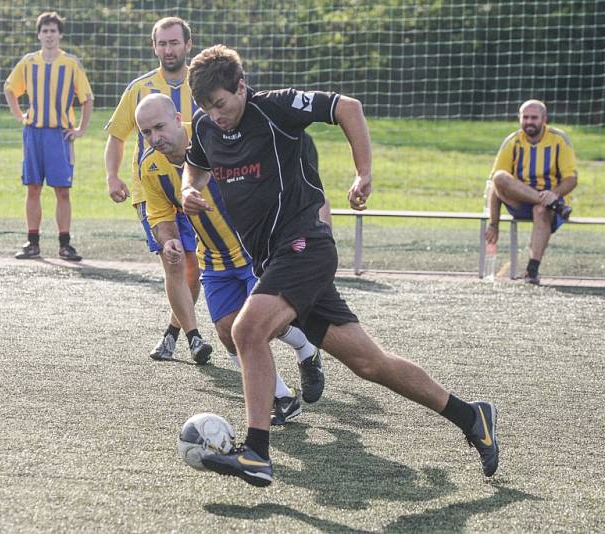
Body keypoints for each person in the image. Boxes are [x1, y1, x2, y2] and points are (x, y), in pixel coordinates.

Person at [181, 45, 499, 487]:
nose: (215, 114)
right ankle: (472, 416)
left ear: (241, 86)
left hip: (306, 244)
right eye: (205, 107)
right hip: (276, 258)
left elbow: (347, 106)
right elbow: (194, 168)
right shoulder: (204, 125)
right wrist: (187, 190)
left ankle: (256, 451)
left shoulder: (274, 107)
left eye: (220, 103)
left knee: (246, 330)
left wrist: (362, 172)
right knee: (369, 363)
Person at [135, 93, 326, 424]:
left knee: (262, 326)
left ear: (177, 118)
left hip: (256, 251)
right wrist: (168, 242)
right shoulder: (151, 168)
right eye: (146, 133)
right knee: (227, 331)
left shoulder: (216, 136)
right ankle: (283, 397)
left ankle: (305, 349)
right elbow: (161, 216)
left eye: (159, 127)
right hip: (215, 260)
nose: (155, 138)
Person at [104, 17, 202, 360]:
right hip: (153, 189)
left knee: (196, 268)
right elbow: (117, 136)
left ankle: (173, 332)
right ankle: (193, 339)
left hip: (197, 186)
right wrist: (112, 177)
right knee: (174, 261)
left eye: (174, 43)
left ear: (188, 45)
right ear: (154, 47)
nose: (168, 49)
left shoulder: (204, 83)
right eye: (162, 43)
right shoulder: (139, 88)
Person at [4, 12, 93, 262]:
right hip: (34, 133)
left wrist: (81, 130)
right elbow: (10, 88)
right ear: (38, 34)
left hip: (59, 135)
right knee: (33, 188)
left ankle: (65, 244)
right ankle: (32, 243)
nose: (49, 35)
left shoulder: (71, 63)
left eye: (53, 30)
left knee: (62, 190)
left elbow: (87, 99)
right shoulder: (29, 62)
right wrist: (19, 115)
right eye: (45, 31)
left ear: (60, 34)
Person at [486, 99, 577, 285]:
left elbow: (572, 178)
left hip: (551, 201)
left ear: (544, 119)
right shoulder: (512, 141)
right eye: (525, 117)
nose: (529, 122)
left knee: (540, 209)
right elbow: (496, 185)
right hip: (522, 202)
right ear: (519, 119)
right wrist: (493, 223)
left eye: (534, 118)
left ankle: (532, 271)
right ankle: (552, 205)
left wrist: (555, 194)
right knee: (500, 176)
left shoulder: (559, 140)